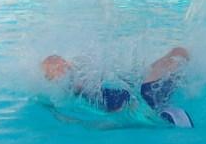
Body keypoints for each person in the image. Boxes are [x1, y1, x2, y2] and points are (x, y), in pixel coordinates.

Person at [41, 47, 193, 127]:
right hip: (138, 99)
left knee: (178, 53)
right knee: (178, 53)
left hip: (133, 99)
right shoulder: (151, 96)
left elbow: (101, 124)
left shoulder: (80, 77)